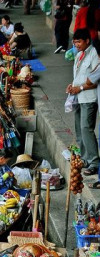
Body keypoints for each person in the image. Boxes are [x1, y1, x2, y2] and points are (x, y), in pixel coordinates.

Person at [66, 29, 100, 176]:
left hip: (89, 98)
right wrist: (72, 86)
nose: (76, 44)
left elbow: (94, 80)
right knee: (79, 130)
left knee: (87, 129)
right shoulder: (79, 55)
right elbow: (79, 76)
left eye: (79, 41)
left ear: (87, 41)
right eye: (75, 42)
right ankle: (85, 158)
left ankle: (94, 162)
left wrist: (79, 88)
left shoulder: (94, 55)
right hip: (78, 97)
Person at [82, 40, 100, 188]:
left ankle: (95, 165)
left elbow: (90, 79)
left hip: (90, 98)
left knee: (90, 130)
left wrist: (80, 87)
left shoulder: (98, 61)